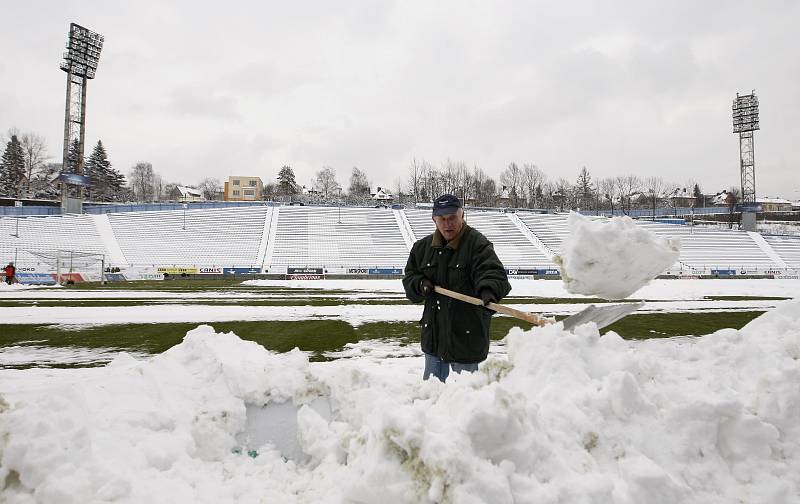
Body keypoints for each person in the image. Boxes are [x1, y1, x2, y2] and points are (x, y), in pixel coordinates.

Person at [403, 194, 511, 382]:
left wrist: (488, 291)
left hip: (466, 338)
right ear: (434, 220)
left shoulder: (477, 244)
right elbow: (410, 277)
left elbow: (492, 272)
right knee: (431, 395)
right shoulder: (422, 248)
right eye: (442, 219)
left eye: (452, 217)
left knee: (465, 397)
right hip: (434, 338)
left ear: (462, 215)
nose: (447, 224)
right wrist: (421, 284)